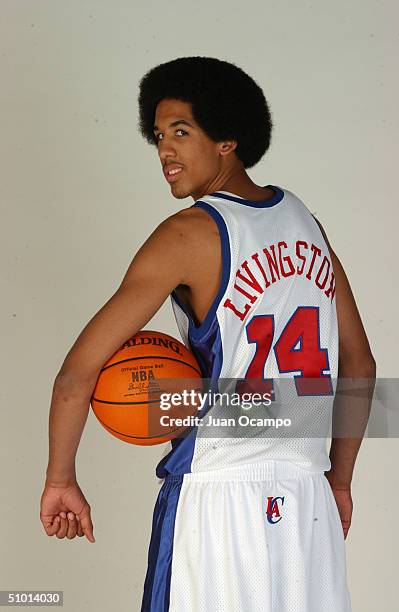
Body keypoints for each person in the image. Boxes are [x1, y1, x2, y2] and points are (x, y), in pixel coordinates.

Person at [40, 57, 376, 611]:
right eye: (158, 136)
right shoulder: (306, 222)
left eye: (181, 131)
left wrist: (60, 478)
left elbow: (77, 375)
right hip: (307, 499)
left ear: (227, 139)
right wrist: (338, 483)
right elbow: (359, 366)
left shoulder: (187, 235)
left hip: (217, 498)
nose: (164, 152)